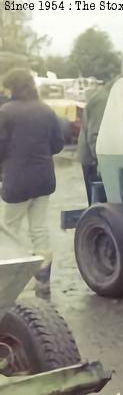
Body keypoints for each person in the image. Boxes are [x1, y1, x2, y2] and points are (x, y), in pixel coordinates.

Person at [0, 69, 64, 299]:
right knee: (39, 229)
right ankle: (43, 278)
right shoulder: (46, 110)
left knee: (8, 230)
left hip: (17, 180)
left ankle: (9, 280)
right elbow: (58, 143)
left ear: (13, 87)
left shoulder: (6, 112)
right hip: (44, 178)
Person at [77, 78, 117, 204]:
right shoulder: (103, 100)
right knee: (100, 207)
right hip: (94, 159)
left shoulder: (104, 96)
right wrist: (100, 161)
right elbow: (95, 134)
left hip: (93, 157)